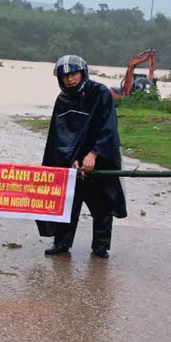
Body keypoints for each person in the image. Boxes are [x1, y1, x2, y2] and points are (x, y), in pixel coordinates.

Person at [36, 54, 128, 259]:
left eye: (73, 74)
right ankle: (61, 243)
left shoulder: (100, 93)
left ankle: (101, 246)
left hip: (101, 157)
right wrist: (71, 159)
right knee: (68, 201)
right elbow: (60, 135)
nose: (70, 79)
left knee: (103, 203)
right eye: (65, 76)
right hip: (74, 161)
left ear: (83, 73)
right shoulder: (62, 100)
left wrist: (94, 153)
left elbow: (108, 127)